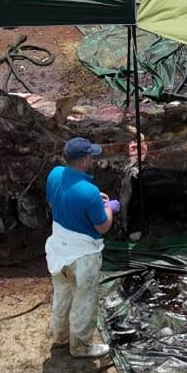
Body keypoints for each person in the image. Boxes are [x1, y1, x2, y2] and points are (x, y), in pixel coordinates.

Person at [45, 137, 117, 359]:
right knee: (84, 301)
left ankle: (61, 337)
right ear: (84, 160)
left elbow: (55, 201)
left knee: (62, 295)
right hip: (82, 256)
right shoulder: (89, 191)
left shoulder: (55, 174)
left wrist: (93, 201)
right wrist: (109, 208)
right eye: (90, 157)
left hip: (58, 249)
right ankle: (81, 347)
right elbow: (103, 226)